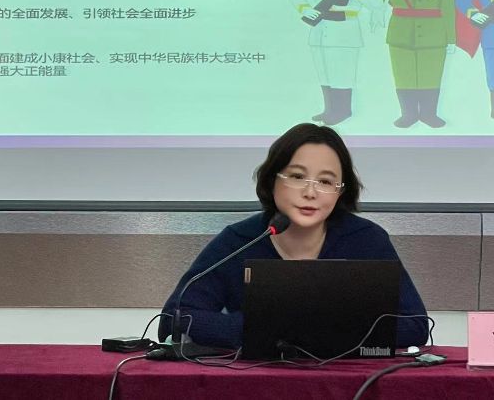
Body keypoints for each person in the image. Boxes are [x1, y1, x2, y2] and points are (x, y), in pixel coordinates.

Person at [158, 123, 429, 350]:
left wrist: (311, 330)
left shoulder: (366, 240)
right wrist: (264, 330)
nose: (310, 193)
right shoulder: (239, 240)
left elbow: (415, 324)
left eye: (325, 182)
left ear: (340, 192)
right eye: (297, 176)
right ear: (272, 180)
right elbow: (173, 320)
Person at [289, 0, 384, 126]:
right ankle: (329, 110)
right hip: (320, 31)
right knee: (324, 73)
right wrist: (304, 9)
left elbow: (377, 6)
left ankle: (343, 111)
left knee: (343, 74)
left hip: (345, 32)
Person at [378, 0, 455, 128]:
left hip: (434, 34)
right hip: (401, 34)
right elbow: (383, 0)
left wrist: (451, 39)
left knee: (431, 74)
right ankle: (408, 114)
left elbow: (448, 10)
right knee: (403, 74)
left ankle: (429, 115)